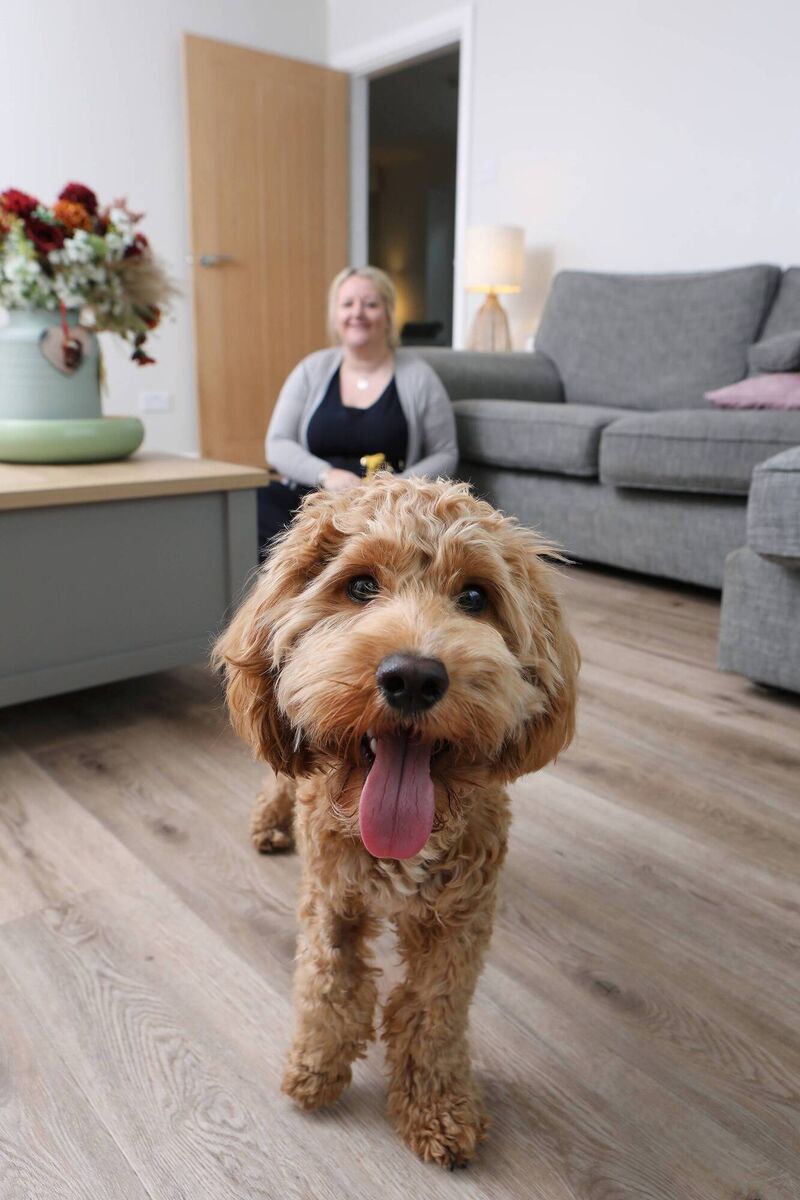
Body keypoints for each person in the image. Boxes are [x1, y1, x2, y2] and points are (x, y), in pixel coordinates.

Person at [257, 265, 458, 557]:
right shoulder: (311, 370)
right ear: (335, 316)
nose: (357, 313)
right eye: (347, 304)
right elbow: (277, 444)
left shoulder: (419, 377)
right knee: (253, 503)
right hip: (311, 501)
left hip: (387, 510)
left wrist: (396, 488)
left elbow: (446, 452)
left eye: (371, 304)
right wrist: (328, 475)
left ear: (388, 314)